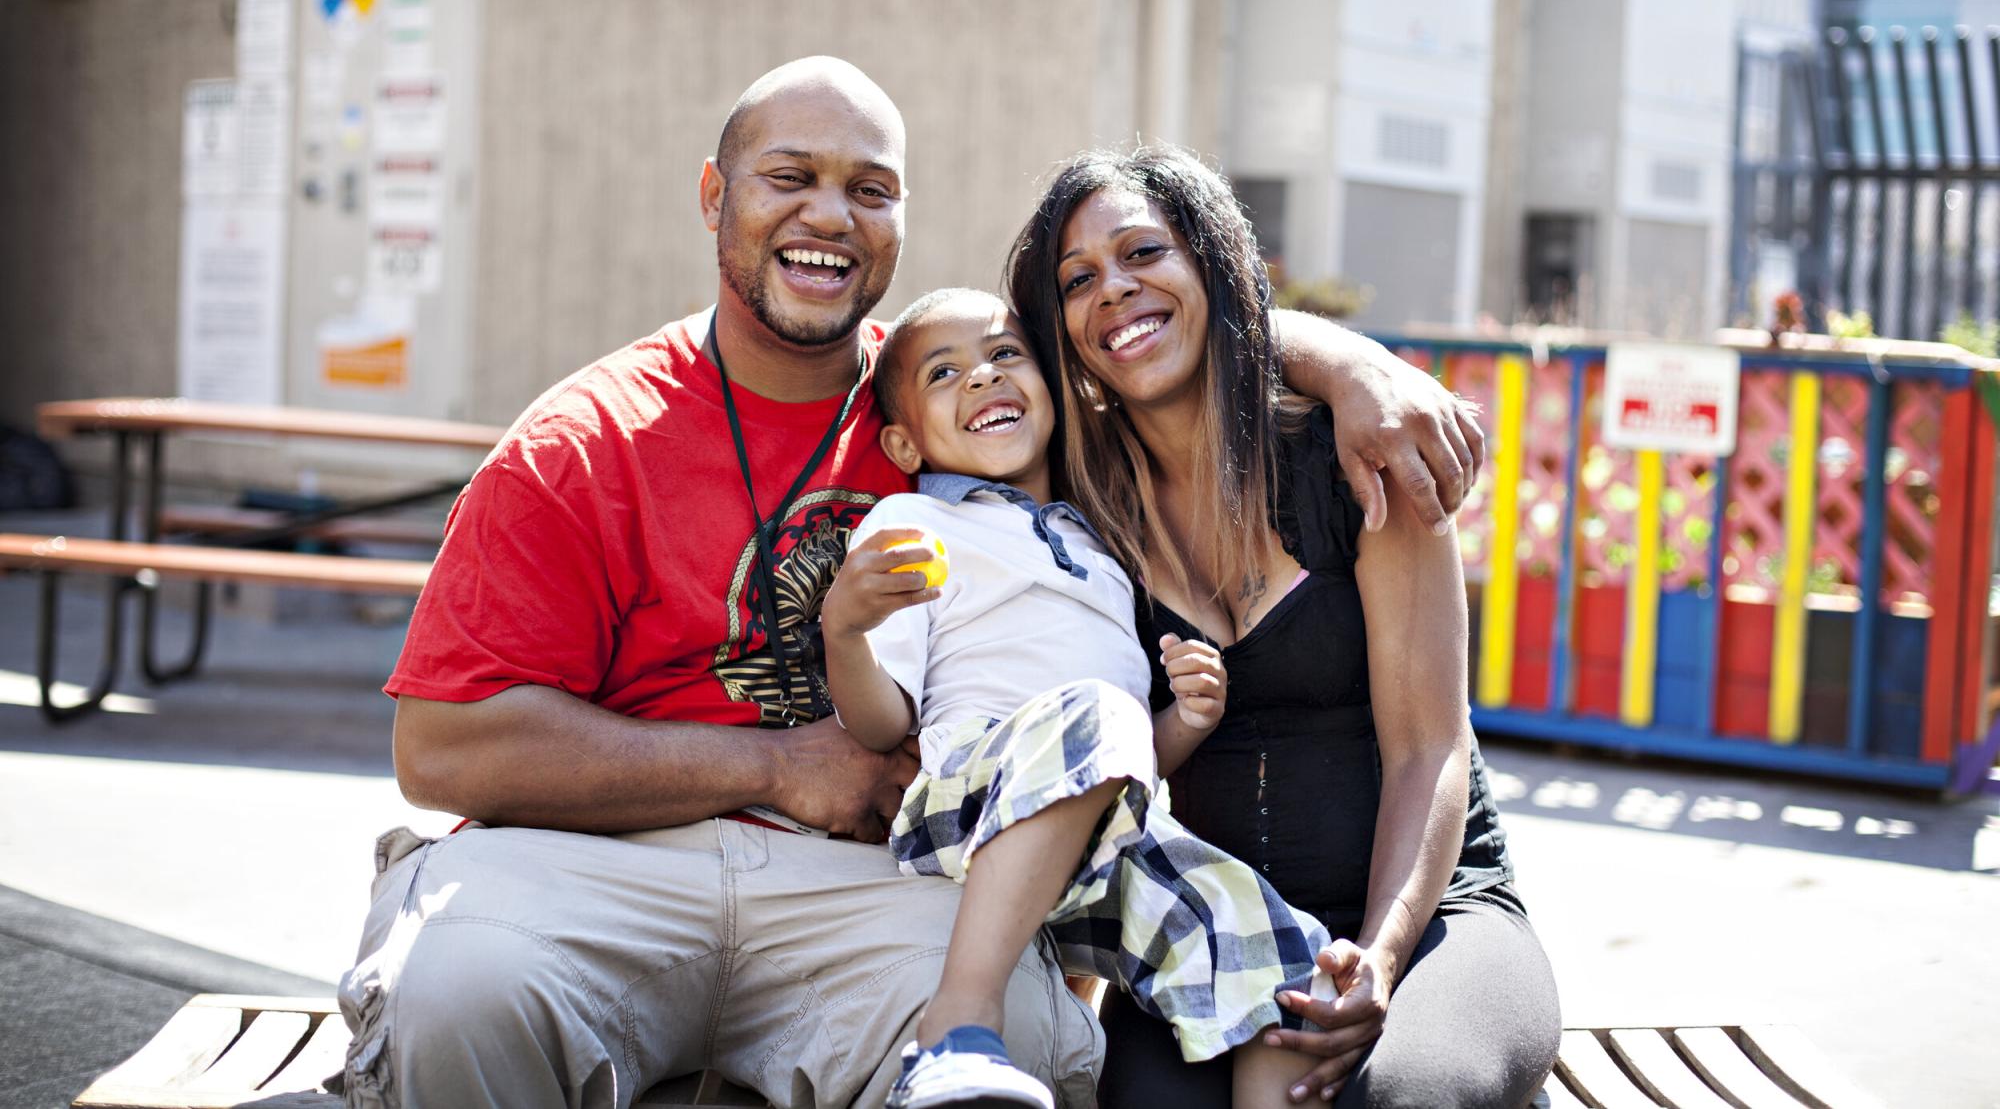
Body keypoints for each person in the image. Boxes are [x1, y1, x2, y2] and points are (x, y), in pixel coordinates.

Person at [338, 57, 1488, 1109]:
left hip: (868, 885)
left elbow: (1148, 337)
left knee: (1027, 1043)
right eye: (788, 176)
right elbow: (440, 747)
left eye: (869, 188)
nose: (828, 214)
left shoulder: (947, 392)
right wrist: (776, 766)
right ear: (712, 196)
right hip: (604, 868)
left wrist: (1349, 359)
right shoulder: (584, 439)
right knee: (460, 992)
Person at [1005, 145, 1561, 1109]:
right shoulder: (1082, 510)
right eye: (1079, 279)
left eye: (1145, 253)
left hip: (1434, 916)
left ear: (1210, 264)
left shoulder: (1357, 461)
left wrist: (1382, 959)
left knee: (1393, 1098)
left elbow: (1432, 745)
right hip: (1221, 933)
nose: (1115, 291)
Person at [822, 288, 1335, 1109]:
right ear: (902, 438)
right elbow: (885, 721)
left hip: (1108, 843)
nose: (983, 378)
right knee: (1095, 713)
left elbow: (1122, 763)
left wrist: (1183, 723)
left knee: (1289, 974)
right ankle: (956, 1025)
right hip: (970, 806)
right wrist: (844, 632)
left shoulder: (1099, 543)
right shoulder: (914, 524)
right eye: (945, 372)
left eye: (1004, 355)